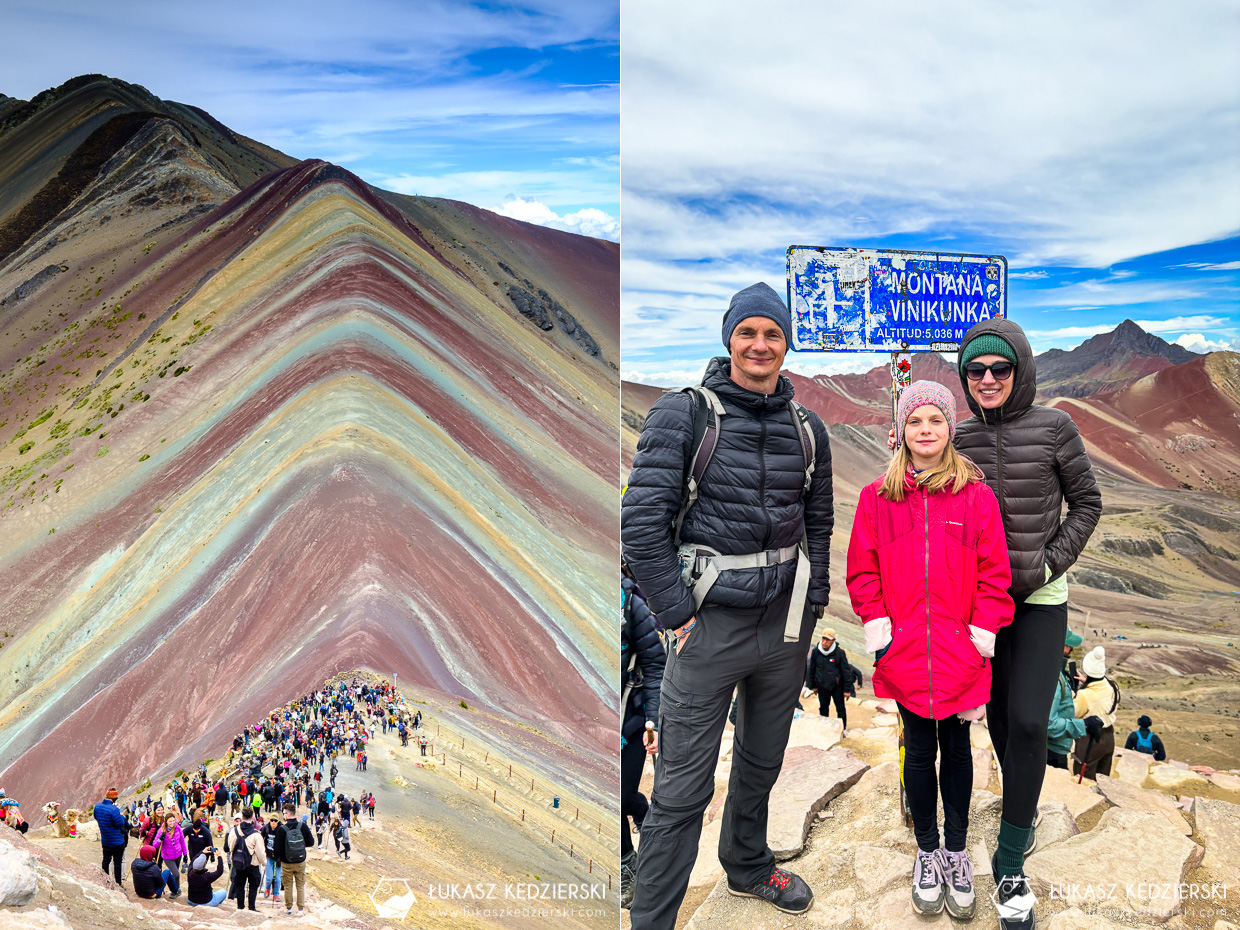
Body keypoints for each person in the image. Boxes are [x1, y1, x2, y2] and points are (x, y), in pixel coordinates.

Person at [622, 282, 834, 926]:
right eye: (749, 332)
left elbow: (818, 526)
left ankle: (746, 864)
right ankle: (654, 918)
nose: (760, 344)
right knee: (683, 791)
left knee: (762, 761)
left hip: (784, 630)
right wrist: (677, 617)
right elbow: (641, 525)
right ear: (728, 338)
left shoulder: (808, 428)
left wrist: (813, 605)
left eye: (773, 333)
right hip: (707, 629)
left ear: (787, 343)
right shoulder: (686, 414)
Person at [950, 319, 1101, 930]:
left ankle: (1011, 859)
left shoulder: (1055, 426)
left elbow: (1087, 501)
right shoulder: (957, 435)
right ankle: (1023, 807)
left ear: (1021, 372)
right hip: (981, 604)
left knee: (1031, 719)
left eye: (1000, 369)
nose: (988, 380)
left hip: (1040, 599)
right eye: (976, 371)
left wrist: (1048, 563)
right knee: (999, 718)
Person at [850, 380, 1014, 919]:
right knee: (919, 751)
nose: (925, 430)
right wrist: (880, 626)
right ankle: (926, 851)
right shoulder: (877, 498)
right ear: (901, 431)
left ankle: (957, 851)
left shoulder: (976, 496)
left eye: (936, 421)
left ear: (950, 429)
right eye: (915, 421)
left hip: (959, 651)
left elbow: (995, 574)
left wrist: (983, 631)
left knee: (959, 751)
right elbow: (862, 570)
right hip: (905, 653)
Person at [620, 564, 667, 910]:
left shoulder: (631, 605)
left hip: (630, 721)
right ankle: (630, 852)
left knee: (619, 796)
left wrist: (652, 721)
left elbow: (654, 664)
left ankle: (628, 864)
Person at [1046, 629, 1096, 770]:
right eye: (1068, 645)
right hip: (1052, 752)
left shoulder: (1056, 672)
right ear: (1058, 645)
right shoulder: (1055, 679)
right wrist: (1084, 725)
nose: (1071, 648)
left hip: (1054, 749)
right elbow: (1049, 724)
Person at [1072, 646, 1119, 779]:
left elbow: (1073, 714)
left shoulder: (1085, 695)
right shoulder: (1112, 686)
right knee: (1103, 777)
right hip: (1109, 736)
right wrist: (1086, 682)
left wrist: (1073, 694)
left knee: (1083, 776)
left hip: (1090, 739)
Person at [803, 627, 861, 729]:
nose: (825, 642)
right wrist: (812, 686)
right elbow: (811, 669)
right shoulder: (816, 651)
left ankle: (842, 730)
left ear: (833, 640)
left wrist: (847, 690)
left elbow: (846, 672)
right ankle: (825, 728)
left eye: (828, 640)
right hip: (822, 686)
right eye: (823, 639)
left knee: (840, 709)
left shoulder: (839, 653)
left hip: (837, 687)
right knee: (823, 709)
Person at [274, 801, 315, 915]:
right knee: (300, 885)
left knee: (288, 886)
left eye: (284, 813)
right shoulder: (303, 826)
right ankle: (300, 909)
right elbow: (311, 842)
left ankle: (289, 908)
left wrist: (278, 857)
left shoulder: (282, 829)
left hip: (286, 862)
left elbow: (276, 849)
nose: (283, 815)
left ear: (287, 814)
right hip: (300, 861)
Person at [225, 808, 265, 911]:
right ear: (252, 818)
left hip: (238, 862)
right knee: (253, 886)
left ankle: (240, 907)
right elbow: (260, 852)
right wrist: (264, 862)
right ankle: (251, 907)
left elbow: (231, 846)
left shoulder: (234, 831)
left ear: (242, 818)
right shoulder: (256, 834)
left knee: (240, 885)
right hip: (253, 863)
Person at [93, 788, 129, 885]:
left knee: (106, 860)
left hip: (105, 840)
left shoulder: (97, 806)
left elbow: (96, 817)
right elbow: (119, 824)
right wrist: (121, 815)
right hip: (117, 841)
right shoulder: (114, 809)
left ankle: (105, 881)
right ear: (115, 798)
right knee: (117, 863)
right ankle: (118, 883)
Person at [152, 812, 188, 894]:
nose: (172, 823)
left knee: (175, 874)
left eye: (173, 821)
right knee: (176, 874)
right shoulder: (161, 831)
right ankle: (175, 891)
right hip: (167, 857)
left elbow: (182, 841)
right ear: (166, 822)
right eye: (170, 821)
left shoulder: (178, 828)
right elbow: (155, 845)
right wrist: (160, 839)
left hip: (178, 855)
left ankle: (176, 890)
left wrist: (185, 854)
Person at [261, 814, 283, 900]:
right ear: (269, 820)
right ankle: (267, 888)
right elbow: (260, 838)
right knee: (269, 877)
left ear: (278, 821)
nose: (273, 822)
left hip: (279, 858)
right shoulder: (265, 828)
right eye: (272, 820)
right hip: (269, 856)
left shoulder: (282, 829)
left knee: (277, 878)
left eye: (275, 821)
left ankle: (276, 894)